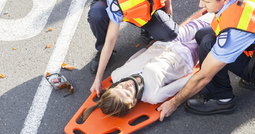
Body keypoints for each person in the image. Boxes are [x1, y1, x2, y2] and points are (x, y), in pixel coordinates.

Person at [157, 0, 255, 121]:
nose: (200, 5)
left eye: (206, 1)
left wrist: (174, 102)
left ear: (224, 0)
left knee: (208, 44)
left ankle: (222, 99)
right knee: (203, 34)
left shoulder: (235, 30)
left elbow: (203, 77)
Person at [88, 0, 179, 96]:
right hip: (116, 8)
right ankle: (102, 52)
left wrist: (168, 22)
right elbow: (111, 38)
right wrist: (98, 79)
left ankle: (147, 30)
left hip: (144, 10)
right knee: (97, 14)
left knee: (170, 34)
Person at [82, 15, 212, 119]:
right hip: (186, 56)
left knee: (199, 24)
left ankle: (224, 8)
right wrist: (204, 72)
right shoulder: (153, 96)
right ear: (133, 102)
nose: (126, 85)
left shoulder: (117, 75)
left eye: (120, 86)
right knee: (210, 33)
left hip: (165, 43)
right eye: (127, 92)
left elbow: (133, 59)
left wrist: (148, 47)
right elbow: (183, 83)